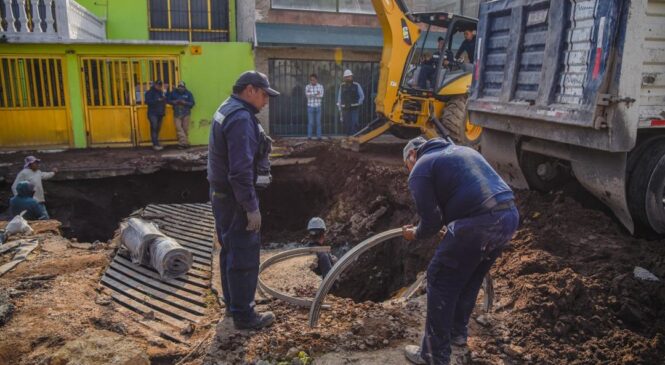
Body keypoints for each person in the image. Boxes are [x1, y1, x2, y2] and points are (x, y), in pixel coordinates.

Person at [401, 137, 519, 365]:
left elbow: (431, 220)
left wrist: (414, 233)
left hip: (478, 223)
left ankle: (433, 356)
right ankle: (457, 334)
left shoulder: (421, 168)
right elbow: (470, 194)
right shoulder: (460, 151)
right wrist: (458, 227)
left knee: (439, 277)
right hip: (508, 217)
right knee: (470, 278)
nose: (409, 172)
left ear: (412, 155)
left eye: (407, 166)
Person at [208, 70, 279, 330]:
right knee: (244, 256)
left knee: (229, 251)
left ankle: (233, 307)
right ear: (249, 90)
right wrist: (251, 207)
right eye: (264, 95)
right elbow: (239, 171)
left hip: (221, 195)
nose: (266, 101)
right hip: (236, 200)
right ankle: (245, 316)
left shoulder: (228, 108)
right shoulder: (240, 119)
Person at [169, 81, 196, 148]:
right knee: (179, 128)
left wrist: (185, 102)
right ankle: (184, 143)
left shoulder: (189, 94)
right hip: (177, 113)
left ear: (184, 87)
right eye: (179, 87)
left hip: (186, 113)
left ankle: (184, 144)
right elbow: (168, 100)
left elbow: (192, 103)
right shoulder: (173, 93)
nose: (180, 88)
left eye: (182, 87)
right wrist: (175, 102)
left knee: (185, 129)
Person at [337, 70, 364, 135]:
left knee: (354, 123)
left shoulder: (357, 85)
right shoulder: (342, 86)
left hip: (354, 108)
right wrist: (339, 107)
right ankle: (348, 138)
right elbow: (339, 97)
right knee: (346, 124)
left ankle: (354, 137)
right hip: (345, 108)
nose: (347, 78)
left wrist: (359, 103)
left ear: (352, 77)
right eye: (346, 77)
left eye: (349, 76)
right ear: (344, 78)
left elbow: (362, 96)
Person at [145, 80, 168, 151]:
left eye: (160, 85)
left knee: (157, 128)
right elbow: (148, 102)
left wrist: (163, 101)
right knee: (154, 128)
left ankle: (156, 143)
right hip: (152, 113)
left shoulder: (161, 92)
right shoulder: (149, 92)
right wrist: (157, 100)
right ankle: (155, 144)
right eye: (158, 85)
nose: (159, 86)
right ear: (155, 85)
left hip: (160, 113)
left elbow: (163, 101)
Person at [305, 74, 324, 141]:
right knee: (311, 122)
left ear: (316, 80)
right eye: (311, 80)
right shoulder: (307, 87)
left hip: (318, 107)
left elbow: (321, 96)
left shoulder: (320, 86)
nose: (312, 81)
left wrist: (311, 94)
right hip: (310, 107)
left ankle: (319, 137)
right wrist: (316, 94)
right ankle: (309, 137)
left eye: (313, 80)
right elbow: (307, 96)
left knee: (318, 123)